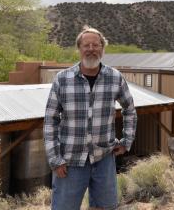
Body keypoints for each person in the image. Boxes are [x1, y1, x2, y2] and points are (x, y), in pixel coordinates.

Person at [44, 26, 137, 210]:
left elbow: (130, 109)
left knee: (105, 207)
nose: (91, 49)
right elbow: (50, 120)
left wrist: (127, 140)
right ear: (79, 49)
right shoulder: (62, 79)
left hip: (103, 158)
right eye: (86, 45)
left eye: (96, 44)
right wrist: (55, 158)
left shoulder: (115, 77)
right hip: (70, 161)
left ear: (102, 48)